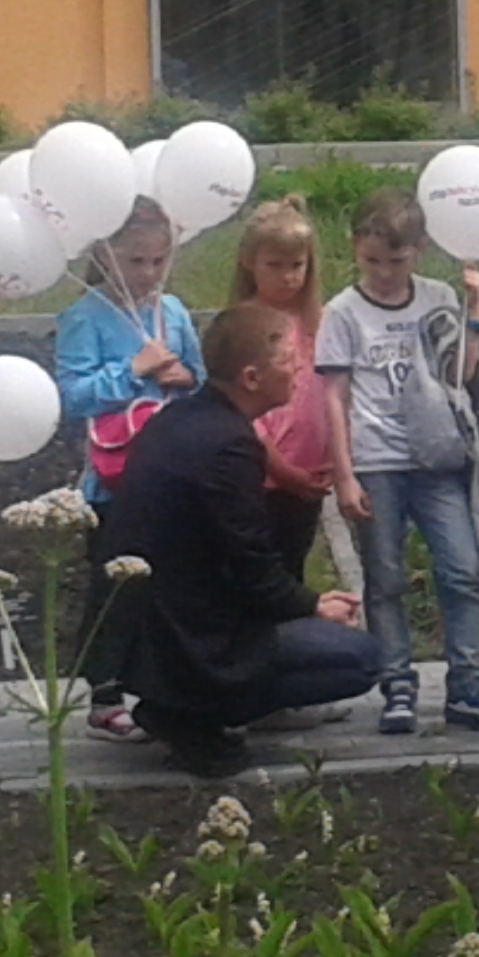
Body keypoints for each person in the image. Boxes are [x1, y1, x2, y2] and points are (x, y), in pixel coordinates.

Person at [105, 303, 383, 778]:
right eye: (288, 359)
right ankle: (197, 713)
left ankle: (177, 704)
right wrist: (315, 605)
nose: (300, 369)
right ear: (252, 378)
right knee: (360, 659)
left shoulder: (179, 419)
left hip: (148, 633)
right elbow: (248, 562)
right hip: (193, 637)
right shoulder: (229, 447)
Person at [320, 188, 479, 737]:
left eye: (397, 261)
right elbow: (333, 395)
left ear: (419, 251)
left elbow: (461, 375)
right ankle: (397, 683)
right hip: (377, 457)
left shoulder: (436, 297)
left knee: (463, 567)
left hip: (435, 455)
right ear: (356, 249)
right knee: (385, 578)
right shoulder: (343, 311)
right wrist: (344, 473)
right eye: (372, 260)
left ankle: (467, 685)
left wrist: (474, 313)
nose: (384, 273)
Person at [56, 196, 203, 744]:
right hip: (113, 479)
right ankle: (105, 695)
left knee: (170, 584)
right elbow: (72, 395)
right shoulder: (84, 317)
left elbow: (200, 379)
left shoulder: (174, 312)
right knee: (115, 586)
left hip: (171, 471)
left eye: (159, 260)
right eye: (135, 261)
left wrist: (186, 379)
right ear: (104, 255)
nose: (149, 273)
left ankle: (165, 685)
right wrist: (132, 371)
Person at [231, 197, 332, 579]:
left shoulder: (318, 321)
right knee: (260, 568)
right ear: (250, 262)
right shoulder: (243, 324)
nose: (288, 277)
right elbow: (242, 410)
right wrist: (283, 469)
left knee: (293, 562)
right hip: (263, 472)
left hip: (311, 469)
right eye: (275, 266)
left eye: (296, 266)